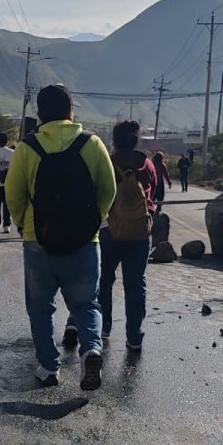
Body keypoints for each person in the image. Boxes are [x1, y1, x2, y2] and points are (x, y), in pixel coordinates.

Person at [5, 84, 116, 390]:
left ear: (39, 114)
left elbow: (13, 195)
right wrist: (94, 220)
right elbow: (108, 189)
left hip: (37, 240)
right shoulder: (92, 144)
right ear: (70, 112)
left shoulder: (27, 147)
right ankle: (91, 350)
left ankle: (48, 367)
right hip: (84, 242)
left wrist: (22, 224)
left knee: (40, 307)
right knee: (86, 305)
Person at [96, 121, 157, 351]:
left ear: (114, 141)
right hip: (140, 233)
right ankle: (134, 337)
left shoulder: (108, 163)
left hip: (109, 230)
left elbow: (98, 194)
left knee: (104, 280)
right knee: (135, 284)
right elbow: (155, 194)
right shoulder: (147, 164)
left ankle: (103, 328)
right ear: (136, 140)